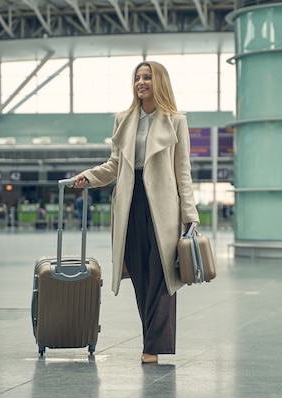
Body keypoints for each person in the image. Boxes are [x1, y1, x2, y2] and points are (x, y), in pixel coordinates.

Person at [71, 61, 199, 364]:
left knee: (164, 275)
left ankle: (153, 347)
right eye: (137, 78)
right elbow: (113, 165)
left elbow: (183, 172)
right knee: (141, 275)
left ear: (160, 82)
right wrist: (86, 177)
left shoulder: (176, 121)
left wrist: (190, 216)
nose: (141, 83)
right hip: (130, 203)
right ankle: (151, 341)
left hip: (164, 206)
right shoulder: (123, 119)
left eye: (147, 78)